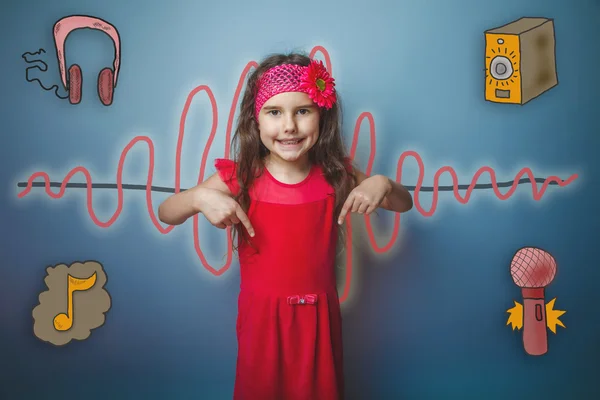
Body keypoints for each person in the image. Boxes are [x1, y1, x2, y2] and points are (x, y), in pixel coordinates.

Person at [158, 52, 413, 400]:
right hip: (262, 324)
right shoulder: (241, 176)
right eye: (274, 112)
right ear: (256, 120)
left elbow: (403, 203)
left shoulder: (336, 174)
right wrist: (199, 198)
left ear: (321, 116)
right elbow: (167, 211)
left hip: (319, 324)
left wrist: (382, 183)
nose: (289, 126)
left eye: (302, 111)